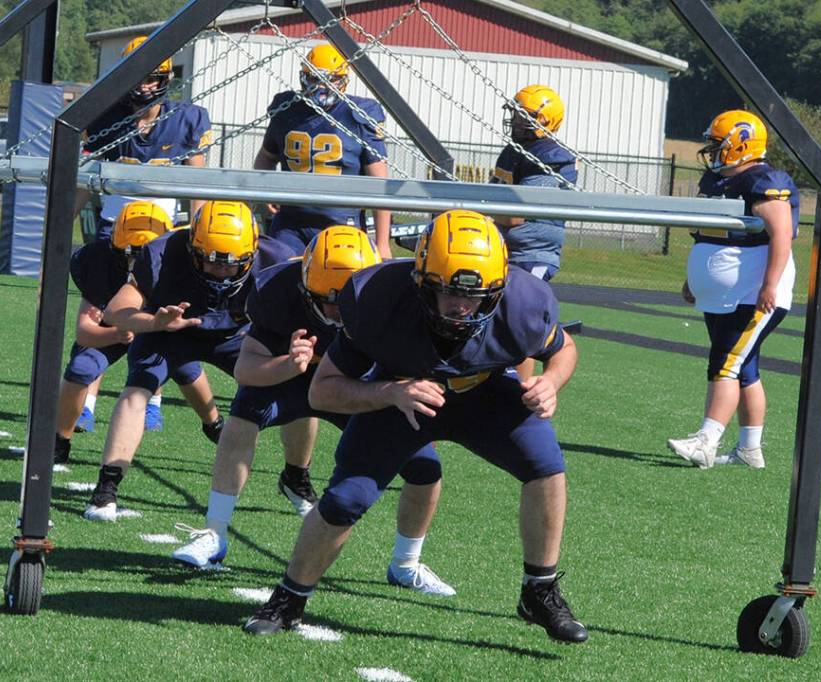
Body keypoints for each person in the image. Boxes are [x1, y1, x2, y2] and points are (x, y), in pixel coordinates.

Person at [243, 210, 587, 643]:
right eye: (447, 293)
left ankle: (539, 589)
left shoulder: (523, 304)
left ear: (499, 288)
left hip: (483, 395)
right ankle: (289, 598)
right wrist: (388, 392)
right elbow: (322, 392)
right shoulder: (379, 299)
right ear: (421, 280)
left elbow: (564, 348)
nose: (462, 307)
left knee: (546, 464)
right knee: (346, 499)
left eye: (476, 295)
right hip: (400, 398)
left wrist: (551, 382)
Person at [171, 225, 454, 596]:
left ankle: (406, 564)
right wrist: (288, 364)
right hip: (296, 379)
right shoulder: (276, 290)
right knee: (242, 415)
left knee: (425, 467)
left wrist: (396, 389)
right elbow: (246, 369)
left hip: (361, 386)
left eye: (346, 300)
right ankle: (215, 533)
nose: (337, 312)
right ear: (304, 285)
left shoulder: (396, 295)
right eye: (326, 301)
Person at [83, 200, 295, 521]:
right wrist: (155, 323)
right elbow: (116, 311)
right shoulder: (162, 253)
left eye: (232, 264)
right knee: (136, 390)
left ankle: (297, 475)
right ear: (193, 246)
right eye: (210, 262)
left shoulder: (277, 260)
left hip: (237, 335)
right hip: (171, 330)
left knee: (295, 384)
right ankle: (106, 488)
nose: (222, 271)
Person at [79, 35, 215, 429]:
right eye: (136, 76)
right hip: (112, 229)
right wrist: (54, 228)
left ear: (166, 78)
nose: (142, 85)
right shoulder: (104, 116)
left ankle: (153, 395)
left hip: (162, 234)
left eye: (151, 77)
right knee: (101, 312)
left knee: (156, 314)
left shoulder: (185, 118)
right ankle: (87, 400)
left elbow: (197, 184)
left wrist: (197, 232)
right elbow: (84, 179)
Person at [667, 109, 798, 470]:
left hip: (751, 290)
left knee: (725, 364)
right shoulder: (722, 181)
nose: (711, 151)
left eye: (717, 144)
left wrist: (770, 284)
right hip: (727, 293)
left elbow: (781, 234)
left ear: (740, 144)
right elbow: (710, 235)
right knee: (744, 368)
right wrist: (693, 279)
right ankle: (749, 450)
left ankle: (706, 441)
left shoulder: (763, 179)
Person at [53, 201, 217, 464]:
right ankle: (59, 440)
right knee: (81, 367)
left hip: (161, 329)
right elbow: (85, 333)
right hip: (117, 328)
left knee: (186, 367)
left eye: (146, 255)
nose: (137, 264)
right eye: (131, 255)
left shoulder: (181, 263)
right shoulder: (99, 264)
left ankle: (214, 423)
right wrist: (115, 335)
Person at [254, 43, 392, 259]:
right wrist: (266, 189)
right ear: (304, 77)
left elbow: (380, 183)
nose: (322, 87)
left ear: (344, 80)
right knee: (277, 271)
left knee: (338, 277)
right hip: (292, 221)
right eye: (315, 78)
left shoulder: (359, 115)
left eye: (332, 79)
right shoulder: (287, 109)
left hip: (341, 221)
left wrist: (383, 242)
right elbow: (266, 156)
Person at [490, 85, 577, 380]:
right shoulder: (516, 151)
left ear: (546, 120)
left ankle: (519, 388)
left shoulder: (550, 157)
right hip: (505, 250)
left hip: (532, 253)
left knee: (519, 319)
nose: (516, 121)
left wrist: (478, 214)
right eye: (515, 114)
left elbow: (514, 215)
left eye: (525, 116)